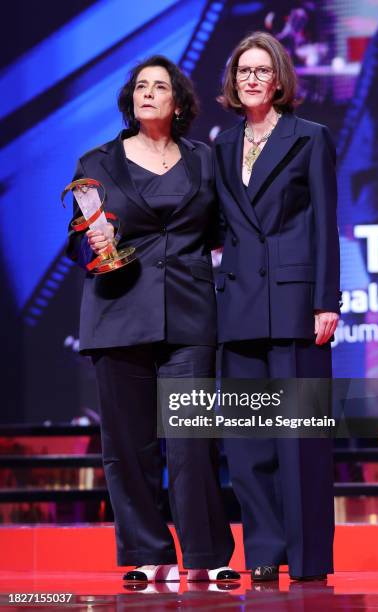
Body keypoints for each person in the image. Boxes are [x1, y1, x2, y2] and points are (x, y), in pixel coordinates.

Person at [66, 55, 238, 583]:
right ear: (131, 99)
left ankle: (208, 559)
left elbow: (223, 230)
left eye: (159, 86)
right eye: (140, 86)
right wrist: (92, 242)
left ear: (178, 103)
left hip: (190, 316)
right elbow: (79, 239)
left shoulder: (205, 160)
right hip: (119, 314)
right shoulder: (97, 162)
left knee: (192, 443)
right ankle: (149, 554)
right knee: (129, 445)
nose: (147, 93)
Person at [214, 32, 341, 581]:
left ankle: (308, 560)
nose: (252, 79)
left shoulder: (310, 138)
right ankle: (264, 555)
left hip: (294, 307)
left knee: (300, 442)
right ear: (233, 81)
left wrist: (325, 301)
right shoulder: (220, 146)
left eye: (262, 70)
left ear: (280, 78)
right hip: (238, 307)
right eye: (244, 71)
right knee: (247, 445)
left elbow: (324, 227)